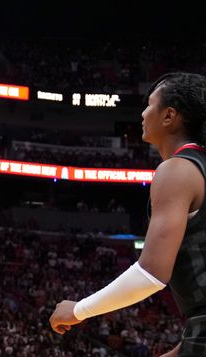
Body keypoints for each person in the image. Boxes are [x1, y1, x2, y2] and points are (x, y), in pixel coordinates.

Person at [49, 72, 206, 356]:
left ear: (169, 115)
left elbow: (151, 273)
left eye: (149, 104)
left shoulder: (177, 170)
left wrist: (79, 310)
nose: (143, 113)